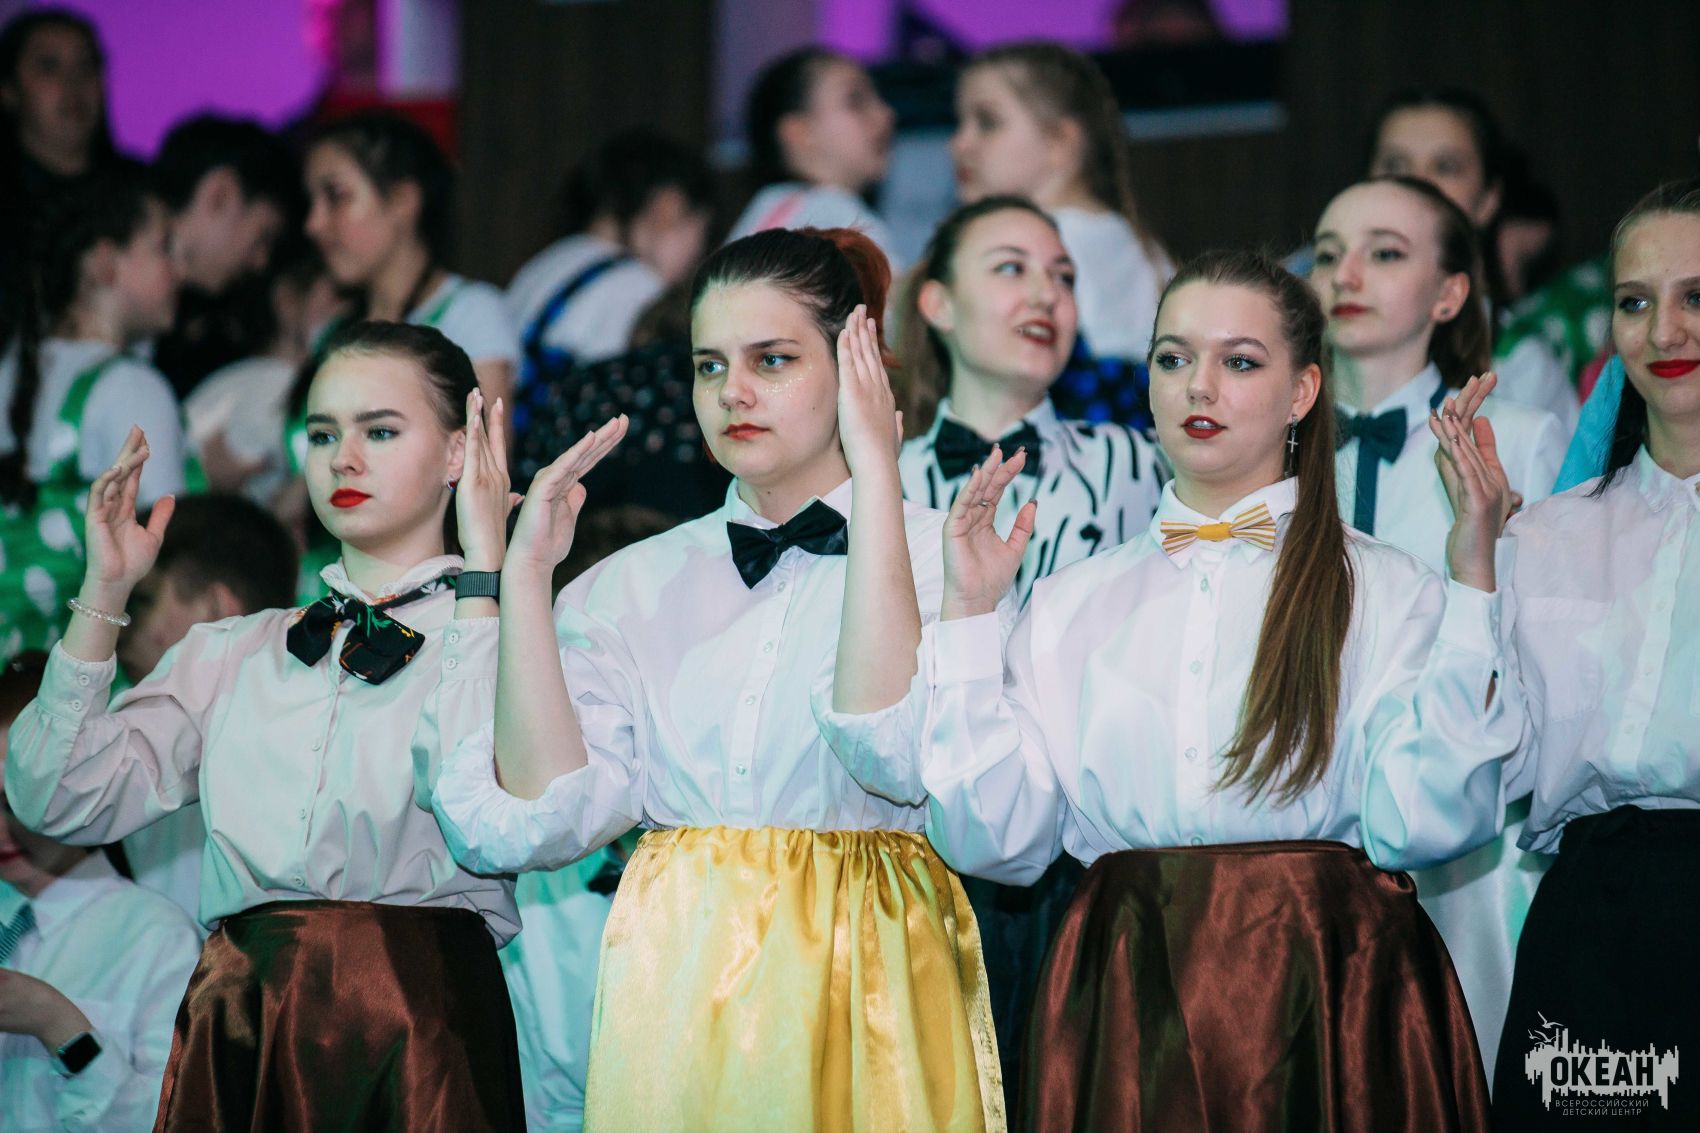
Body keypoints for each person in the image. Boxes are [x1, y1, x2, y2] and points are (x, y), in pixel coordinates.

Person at [859, 250, 1524, 1129]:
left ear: (1303, 391)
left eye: (1239, 361)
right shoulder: (1068, 604)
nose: (1197, 386)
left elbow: (1430, 822)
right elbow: (995, 840)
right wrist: (972, 612)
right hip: (1128, 989)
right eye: (1172, 358)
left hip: (1328, 988)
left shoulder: (1387, 587)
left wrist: (1473, 577)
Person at [432, 228, 1004, 1130]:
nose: (732, 391)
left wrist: (877, 482)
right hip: (677, 989)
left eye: (771, 359)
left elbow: (893, 753)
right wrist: (527, 578)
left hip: (869, 980)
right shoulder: (632, 582)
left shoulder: (950, 554)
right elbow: (536, 820)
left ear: (855, 365)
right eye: (709, 365)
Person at [5, 321, 526, 1130]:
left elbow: (510, 818)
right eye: (321, 434)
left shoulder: (507, 639)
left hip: (419, 1021)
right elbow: (56, 798)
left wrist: (487, 587)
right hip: (243, 1019)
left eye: (380, 431)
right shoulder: (230, 652)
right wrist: (104, 590)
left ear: (460, 452)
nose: (343, 458)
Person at [894, 192, 1167, 1101]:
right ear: (937, 302)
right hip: (919, 855)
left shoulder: (1140, 465)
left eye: (1063, 276)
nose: (1046, 294)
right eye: (1011, 267)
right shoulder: (878, 479)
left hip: (1086, 861)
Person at [1308, 174, 1567, 1079]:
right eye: (1328, 253)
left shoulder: (1520, 438)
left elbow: (1544, 657)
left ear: (1451, 292)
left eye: (1385, 253)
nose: (1346, 274)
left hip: (1465, 848)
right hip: (1309, 837)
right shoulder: (1272, 448)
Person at [1490, 179, 1700, 1131]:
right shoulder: (1547, 535)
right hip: (1591, 925)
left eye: (1696, 295)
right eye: (1635, 301)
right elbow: (1496, 764)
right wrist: (1473, 569)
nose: (1665, 330)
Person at [1, 650, 202, 1133]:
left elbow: (172, 1117)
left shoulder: (157, 936)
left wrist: (58, 1024)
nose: (2, 828)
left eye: (17, 802)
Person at [0, 173, 187, 657]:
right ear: (104, 262)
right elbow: (167, 558)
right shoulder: (132, 387)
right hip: (78, 669)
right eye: (163, 247)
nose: (179, 270)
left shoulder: (9, 370)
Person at [950, 40, 1172, 425]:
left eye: (987, 122)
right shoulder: (1143, 247)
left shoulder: (1047, 246)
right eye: (959, 122)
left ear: (1059, 144)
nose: (959, 144)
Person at [111, 494, 299, 925]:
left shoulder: (299, 742)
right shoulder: (134, 744)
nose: (119, 631)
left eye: (139, 602)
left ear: (218, 610)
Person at [1365, 88, 1577, 432]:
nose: (1416, 182)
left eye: (1445, 166)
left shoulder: (1521, 363)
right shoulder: (1318, 335)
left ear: (1488, 199)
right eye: (1395, 165)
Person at [303, 112, 518, 403]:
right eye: (311, 201)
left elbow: (485, 433)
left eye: (336, 195)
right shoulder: (332, 329)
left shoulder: (469, 315)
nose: (313, 224)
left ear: (403, 200)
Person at [507, 128, 714, 378]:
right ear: (668, 207)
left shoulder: (543, 265)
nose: (695, 257)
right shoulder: (633, 285)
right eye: (700, 233)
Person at [726, 48, 902, 269]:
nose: (886, 114)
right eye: (855, 101)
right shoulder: (838, 217)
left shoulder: (768, 205)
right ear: (799, 131)